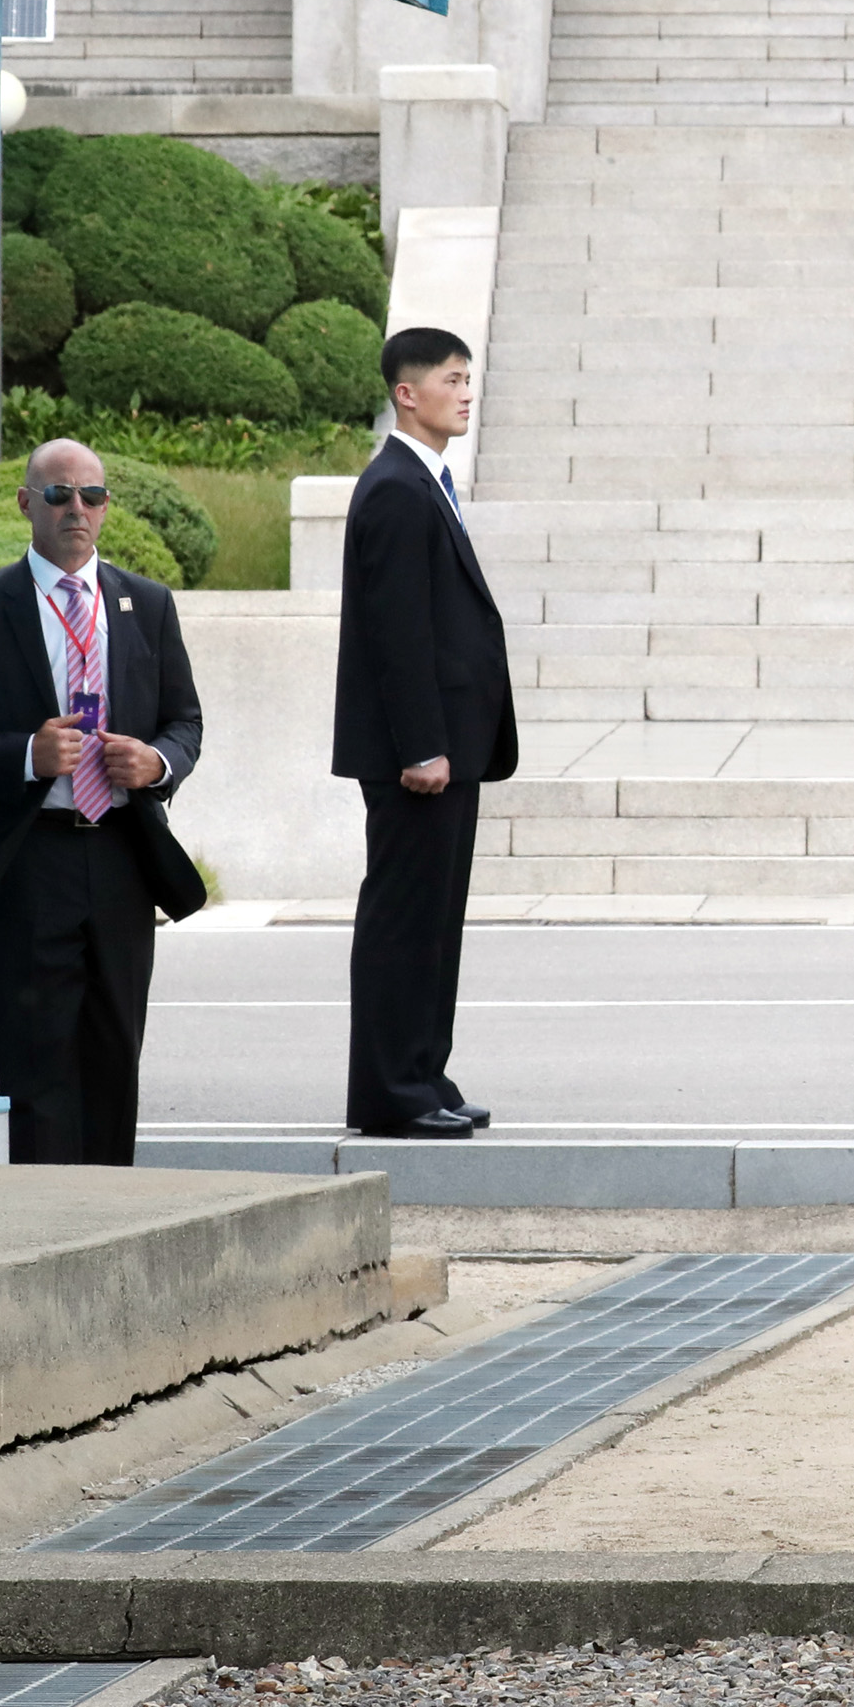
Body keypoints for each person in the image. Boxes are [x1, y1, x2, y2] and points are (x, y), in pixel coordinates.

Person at [0, 440, 207, 1164]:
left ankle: (110, 1210)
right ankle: (42, 1215)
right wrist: (26, 754)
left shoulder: (145, 603)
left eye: (92, 495)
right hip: (34, 855)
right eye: (58, 495)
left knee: (115, 1048)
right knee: (37, 1055)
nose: (76, 509)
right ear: (27, 503)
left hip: (121, 849)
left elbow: (186, 721)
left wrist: (157, 762)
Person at [335, 326, 515, 1142]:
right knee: (405, 919)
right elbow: (397, 633)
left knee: (436, 920)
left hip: (451, 749)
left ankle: (423, 1072)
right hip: (422, 757)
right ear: (407, 393)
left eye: (469, 377)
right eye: (452, 378)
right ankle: (391, 1091)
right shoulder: (398, 488)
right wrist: (420, 745)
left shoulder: (425, 481)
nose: (466, 391)